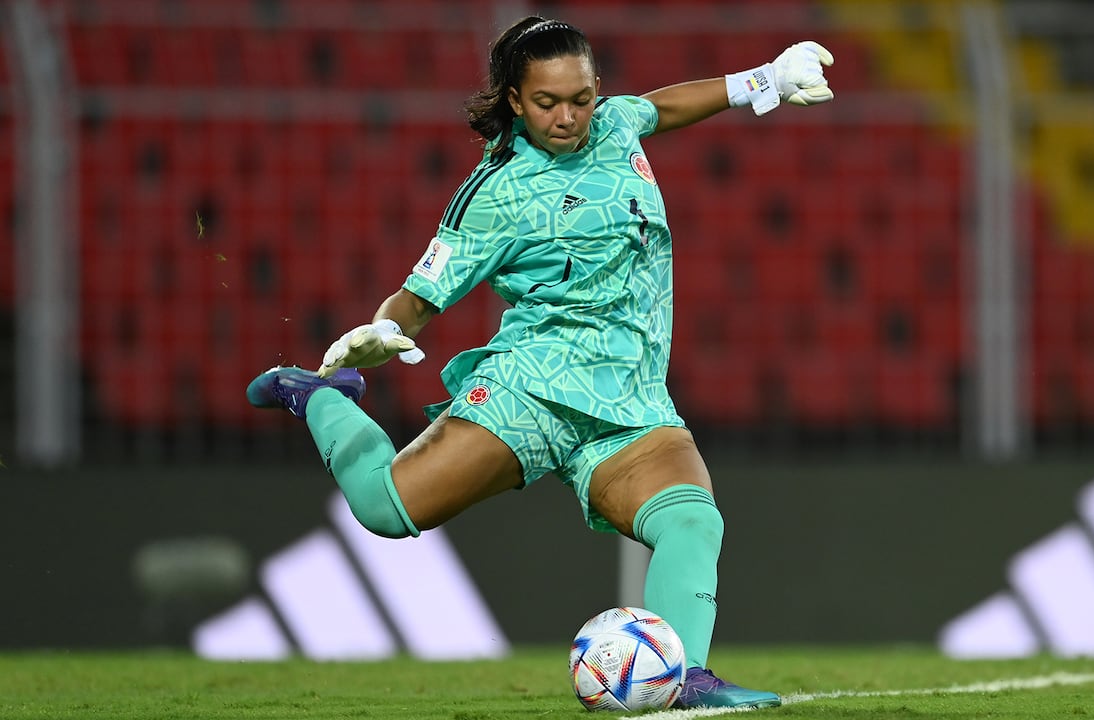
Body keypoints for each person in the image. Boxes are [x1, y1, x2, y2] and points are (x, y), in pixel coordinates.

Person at [247, 16, 833, 709]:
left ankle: (686, 681)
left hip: (631, 403)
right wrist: (380, 331)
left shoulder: (613, 125)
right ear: (516, 100)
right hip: (534, 393)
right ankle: (317, 394)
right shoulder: (496, 191)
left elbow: (662, 106)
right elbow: (421, 294)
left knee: (692, 522)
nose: (568, 117)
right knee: (384, 508)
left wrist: (762, 81)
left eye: (580, 98)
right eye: (548, 102)